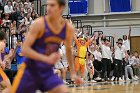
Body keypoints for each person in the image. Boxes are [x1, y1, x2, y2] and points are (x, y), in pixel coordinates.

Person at [11, 0, 83, 93]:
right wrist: (46, 59)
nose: (48, 8)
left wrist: (73, 73)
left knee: (62, 90)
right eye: (48, 5)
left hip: (47, 72)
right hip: (30, 70)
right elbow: (25, 49)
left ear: (61, 8)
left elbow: (69, 50)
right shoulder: (39, 23)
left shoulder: (68, 28)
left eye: (52, 5)